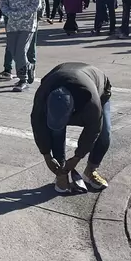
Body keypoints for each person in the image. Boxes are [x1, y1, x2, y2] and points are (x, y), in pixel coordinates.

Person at [30, 62, 112, 193]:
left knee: (104, 134)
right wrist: (46, 155)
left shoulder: (91, 102)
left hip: (98, 86)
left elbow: (92, 131)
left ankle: (90, 171)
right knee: (56, 131)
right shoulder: (43, 95)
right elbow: (37, 124)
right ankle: (61, 173)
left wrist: (77, 157)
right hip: (58, 76)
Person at [0, 0, 41, 92]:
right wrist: (9, 13)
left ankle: (23, 79)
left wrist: (22, 13)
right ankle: (28, 67)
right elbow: (3, 4)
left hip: (27, 25)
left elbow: (36, 4)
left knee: (21, 51)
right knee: (14, 51)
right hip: (12, 25)